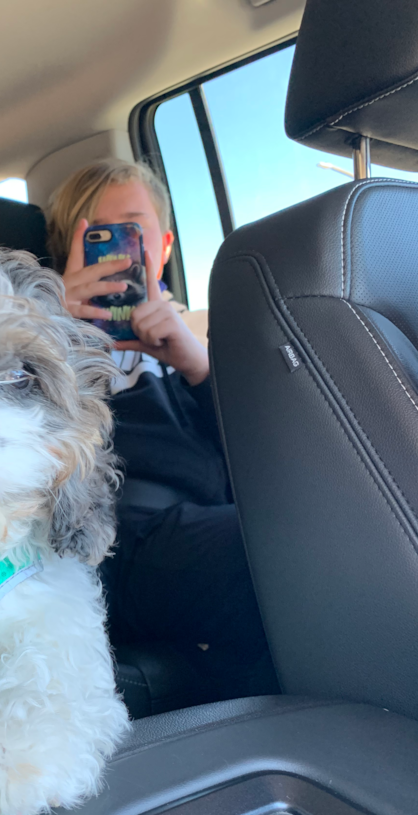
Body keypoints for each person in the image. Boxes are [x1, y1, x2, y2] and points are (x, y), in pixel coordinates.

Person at [47, 159, 277, 698]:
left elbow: (269, 455)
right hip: (116, 535)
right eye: (95, 235)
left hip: (211, 518)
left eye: (129, 229)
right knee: (278, 549)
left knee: (308, 528)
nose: (117, 251)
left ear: (164, 244)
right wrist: (52, 331)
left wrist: (197, 366)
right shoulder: (42, 338)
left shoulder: (202, 336)